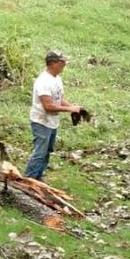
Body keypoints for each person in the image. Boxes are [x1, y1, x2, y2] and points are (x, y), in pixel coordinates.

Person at [25, 50, 81, 180]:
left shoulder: (57, 79)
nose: (64, 64)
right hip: (41, 121)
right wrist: (69, 110)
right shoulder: (43, 82)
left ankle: (39, 175)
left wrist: (73, 108)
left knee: (47, 152)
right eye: (61, 62)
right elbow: (48, 106)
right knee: (40, 152)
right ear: (52, 63)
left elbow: (59, 99)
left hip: (52, 122)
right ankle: (28, 179)